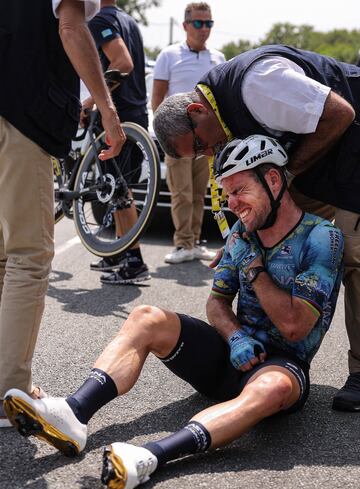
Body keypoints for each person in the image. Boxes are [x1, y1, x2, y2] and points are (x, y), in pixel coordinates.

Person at [4, 135, 343, 489]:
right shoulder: (244, 236)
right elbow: (216, 303)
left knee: (271, 387)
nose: (232, 204)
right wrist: (234, 337)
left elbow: (295, 327)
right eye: (226, 194)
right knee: (148, 316)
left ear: (273, 181)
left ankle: (148, 457)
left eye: (239, 190)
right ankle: (73, 414)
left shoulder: (322, 238)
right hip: (231, 355)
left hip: (280, 368)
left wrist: (254, 267)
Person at [153, 44, 360, 411]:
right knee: (266, 226)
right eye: (199, 154)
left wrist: (289, 174)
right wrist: (240, 235)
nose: (209, 154)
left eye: (200, 144)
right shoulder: (217, 118)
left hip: (354, 145)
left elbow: (340, 114)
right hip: (320, 164)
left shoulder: (258, 84)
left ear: (197, 110)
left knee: (354, 253)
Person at [0, 0, 125, 428]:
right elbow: (71, 27)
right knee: (28, 256)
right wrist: (108, 110)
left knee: (3, 256)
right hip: (22, 114)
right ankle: (6, 392)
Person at [152, 2, 225, 264]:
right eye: (198, 23)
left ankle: (194, 242)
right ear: (185, 25)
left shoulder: (218, 58)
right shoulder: (168, 55)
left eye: (208, 23)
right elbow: (158, 99)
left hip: (206, 140)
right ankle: (182, 243)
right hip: (179, 138)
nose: (204, 28)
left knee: (199, 193)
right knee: (180, 192)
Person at [86, 0, 151, 285]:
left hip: (119, 116)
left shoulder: (100, 21)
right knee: (118, 187)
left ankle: (134, 260)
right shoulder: (128, 20)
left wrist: (91, 102)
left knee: (119, 190)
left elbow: (123, 63)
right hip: (136, 112)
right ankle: (117, 253)